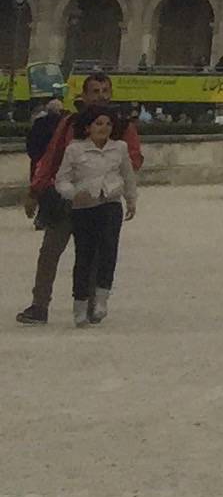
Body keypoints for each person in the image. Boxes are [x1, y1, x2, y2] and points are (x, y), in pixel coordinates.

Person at [22, 71, 140, 322]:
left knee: (93, 254)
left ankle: (85, 304)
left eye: (105, 90)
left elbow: (133, 161)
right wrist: (35, 191)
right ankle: (40, 305)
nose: (100, 96)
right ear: (84, 95)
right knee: (50, 252)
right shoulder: (69, 123)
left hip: (101, 200)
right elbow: (52, 157)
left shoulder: (121, 127)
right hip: (67, 199)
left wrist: (113, 179)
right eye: (95, 91)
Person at [51, 104, 135, 324]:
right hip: (84, 205)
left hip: (110, 202)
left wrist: (131, 199)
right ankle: (79, 303)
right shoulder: (75, 149)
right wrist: (71, 194)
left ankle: (101, 298)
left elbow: (128, 175)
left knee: (109, 248)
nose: (104, 128)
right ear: (87, 127)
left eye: (108, 124)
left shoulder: (120, 148)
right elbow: (62, 179)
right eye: (99, 123)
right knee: (84, 255)